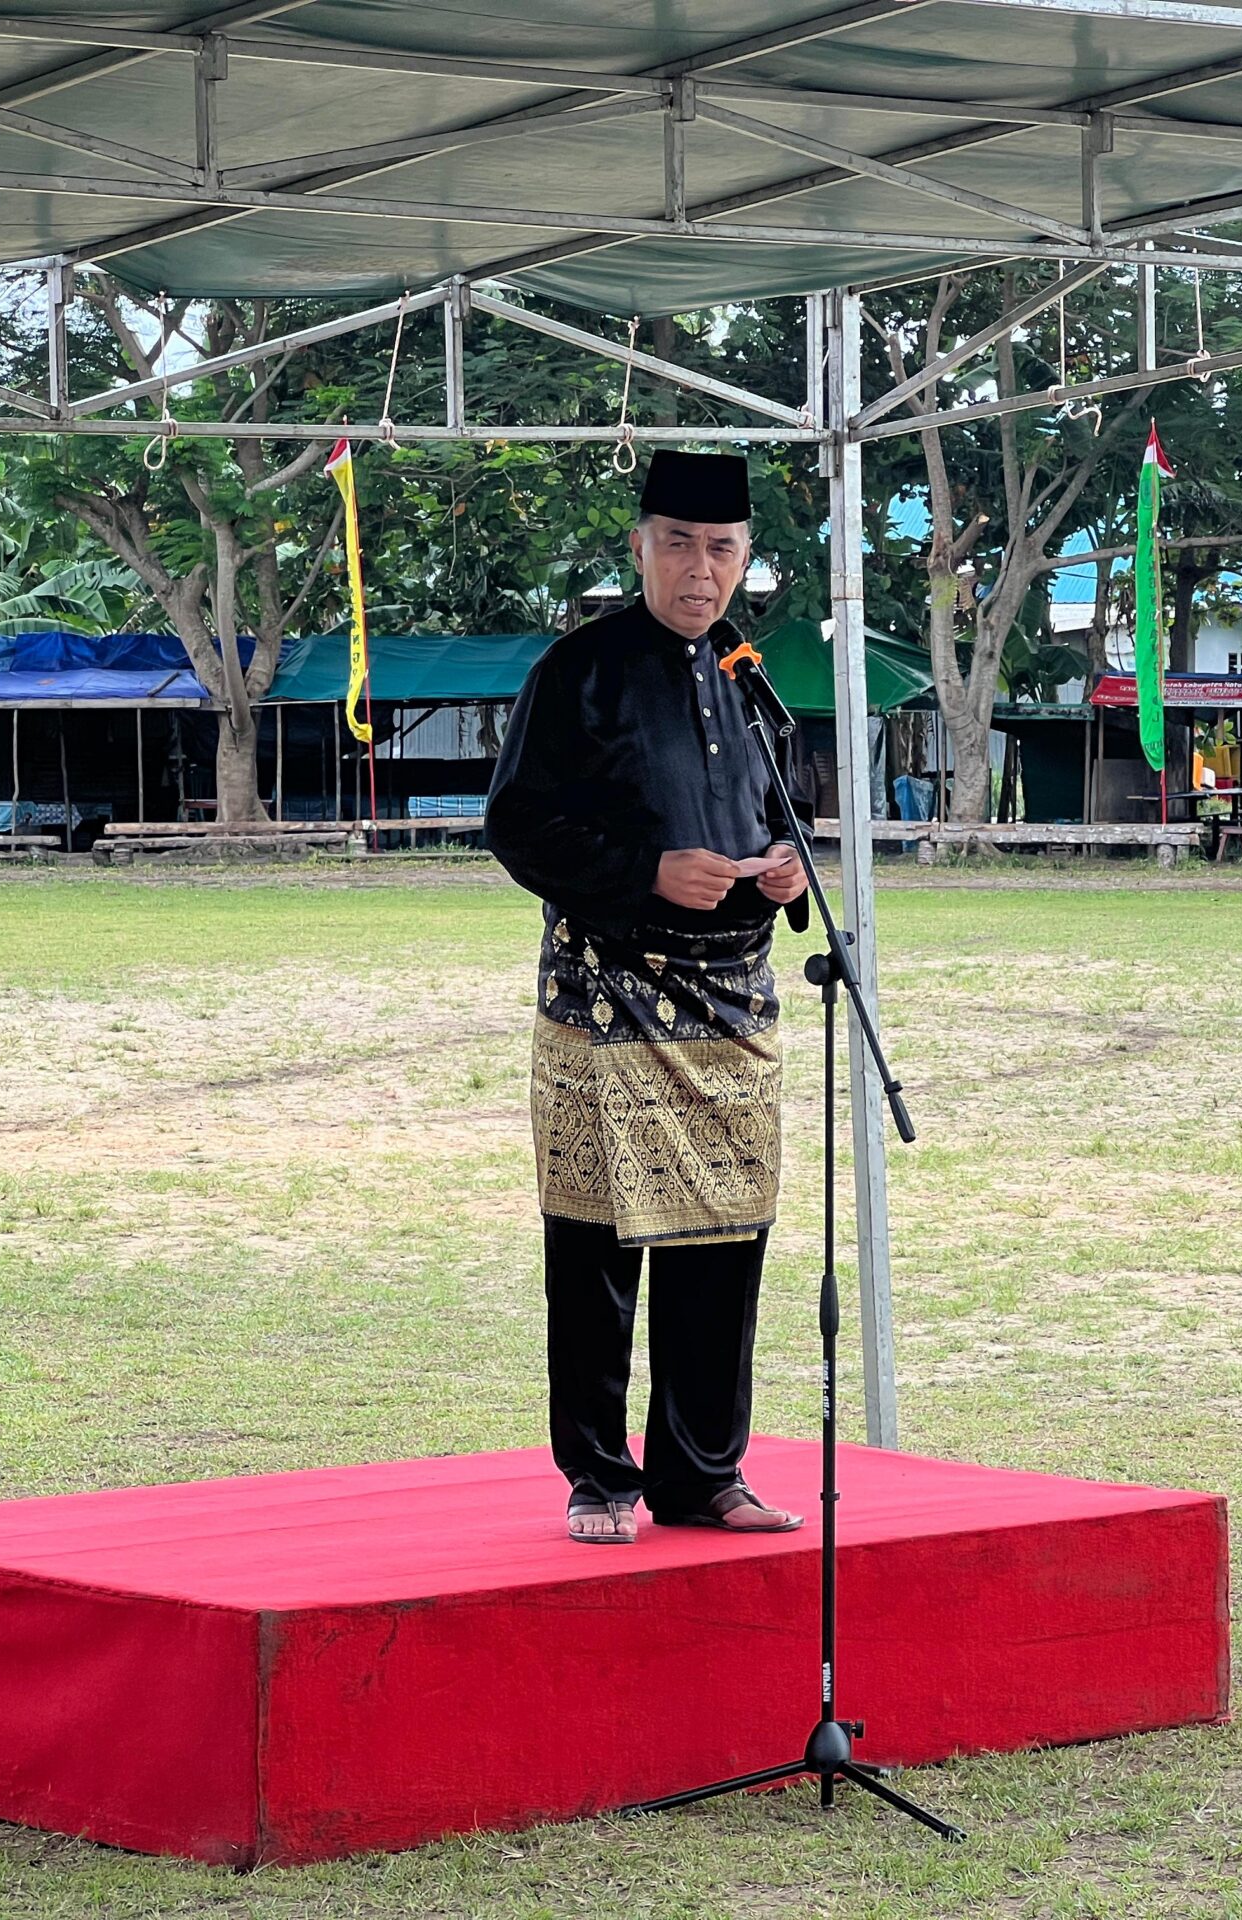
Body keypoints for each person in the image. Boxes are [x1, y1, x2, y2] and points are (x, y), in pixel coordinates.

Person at [486, 449, 811, 1546]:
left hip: (732, 1002)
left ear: (745, 559)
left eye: (721, 549)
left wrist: (784, 866)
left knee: (727, 1236)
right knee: (596, 1244)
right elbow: (517, 824)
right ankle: (599, 1476)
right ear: (640, 547)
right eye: (678, 544)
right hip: (606, 996)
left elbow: (788, 800)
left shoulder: (746, 667)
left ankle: (702, 1472)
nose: (700, 569)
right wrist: (643, 874)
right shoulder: (577, 668)